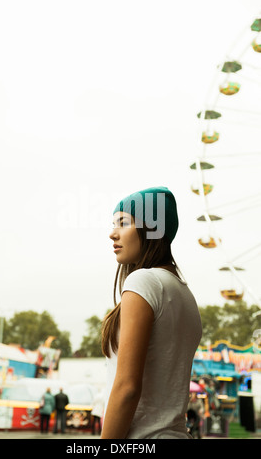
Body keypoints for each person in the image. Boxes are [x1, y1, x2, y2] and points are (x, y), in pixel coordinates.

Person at [101, 186, 202, 439]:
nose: (113, 234)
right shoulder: (184, 294)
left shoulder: (143, 282)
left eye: (123, 223)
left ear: (152, 228)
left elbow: (127, 388)